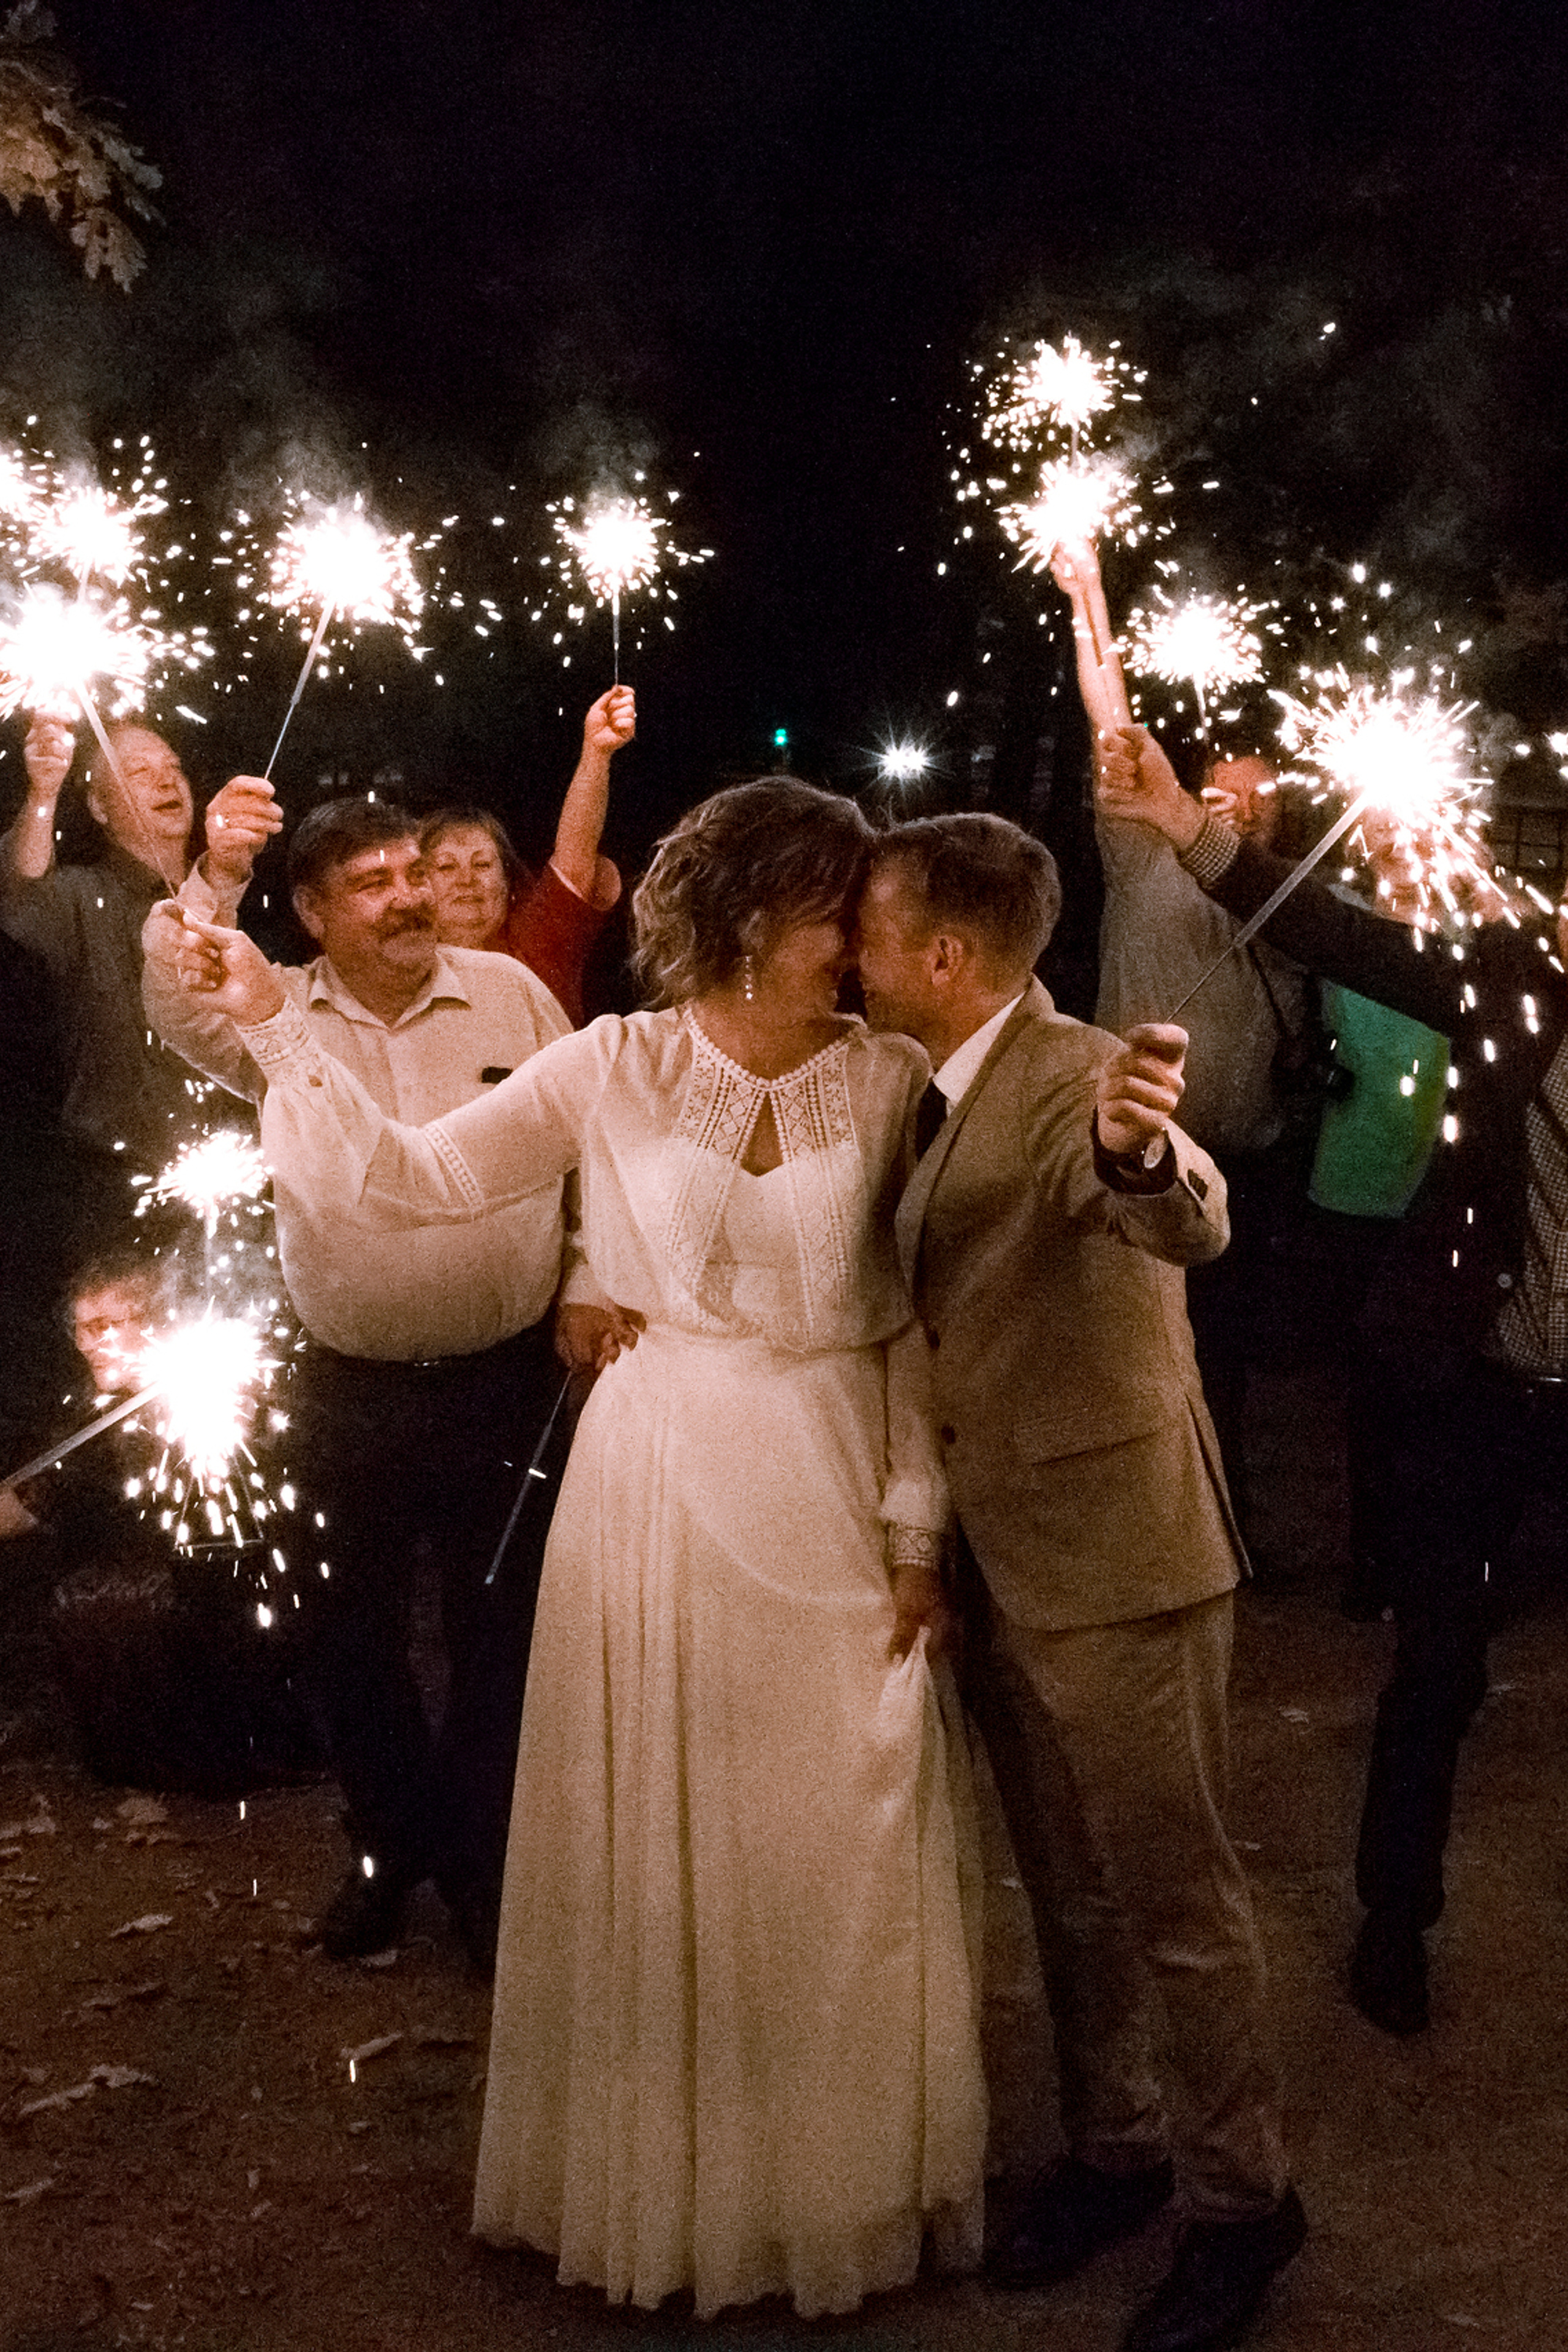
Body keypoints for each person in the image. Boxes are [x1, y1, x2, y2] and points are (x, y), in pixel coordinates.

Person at [165, 776, 986, 2321]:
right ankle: (656, 2178)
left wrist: (913, 1530)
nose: (864, 941)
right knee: (659, 1825)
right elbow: (399, 1181)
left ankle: (821, 2176)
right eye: (838, 913)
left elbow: (907, 1326)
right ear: (751, 916)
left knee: (832, 1824)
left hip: (820, 1482)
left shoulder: (887, 1080)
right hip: (651, 1476)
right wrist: (278, 1031)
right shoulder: (607, 1059)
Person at [855, 812, 1305, 2352]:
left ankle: (1243, 2203)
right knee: (1063, 1882)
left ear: (941, 952)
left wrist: (1142, 1148)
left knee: (1173, 1897)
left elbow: (1171, 1200)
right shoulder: (924, 1083)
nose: (848, 952)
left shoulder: (1074, 1079)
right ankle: (1116, 2150)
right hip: (1004, 1551)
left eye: (866, 928)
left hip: (1120, 1556)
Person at [1099, 722, 1568, 2037]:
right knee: (1436, 1667)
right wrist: (1194, 832)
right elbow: (1343, 939)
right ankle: (1390, 1924)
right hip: (1478, 1384)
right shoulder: (1506, 976)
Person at [141, 794, 593, 1969]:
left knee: (503, 1643)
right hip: (348, 1388)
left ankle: (485, 1871)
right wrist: (215, 870)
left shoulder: (513, 996)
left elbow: (593, 1152)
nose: (408, 898)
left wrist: (590, 1271)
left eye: (413, 874)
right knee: (351, 1641)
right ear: (310, 912)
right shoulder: (271, 1010)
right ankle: (391, 1854)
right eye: (371, 884)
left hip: (507, 1381)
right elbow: (170, 993)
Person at [2, 1253, 315, 1795]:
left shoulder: (205, 1402)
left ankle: (234, 1752)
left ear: (153, 1325)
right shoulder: (97, 1410)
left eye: (106, 1326)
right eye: (81, 1329)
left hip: (223, 1588)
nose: (89, 1342)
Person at [0, 715, 276, 1189]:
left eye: (172, 767)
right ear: (100, 807)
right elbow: (19, 892)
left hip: (244, 1167)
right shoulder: (80, 897)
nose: (167, 779)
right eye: (139, 773)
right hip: (114, 1176)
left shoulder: (232, 881)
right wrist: (45, 791)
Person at [421, 684, 634, 1027]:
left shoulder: (535, 947)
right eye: (446, 866)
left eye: (483, 864)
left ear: (508, 883)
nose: (466, 879)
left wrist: (596, 753)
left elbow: (575, 862)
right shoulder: (395, 972)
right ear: (418, 887)